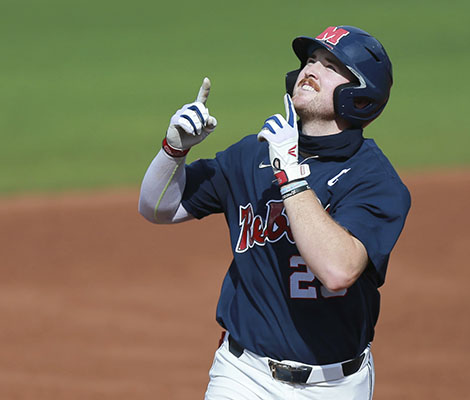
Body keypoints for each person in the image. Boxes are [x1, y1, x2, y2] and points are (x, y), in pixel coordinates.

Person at [139, 25, 411, 400]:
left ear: (360, 95)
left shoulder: (375, 180)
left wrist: (291, 176)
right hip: (242, 373)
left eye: (331, 66)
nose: (311, 70)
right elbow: (159, 209)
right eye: (311, 60)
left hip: (333, 386)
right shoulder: (252, 155)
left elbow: (337, 271)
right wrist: (173, 151)